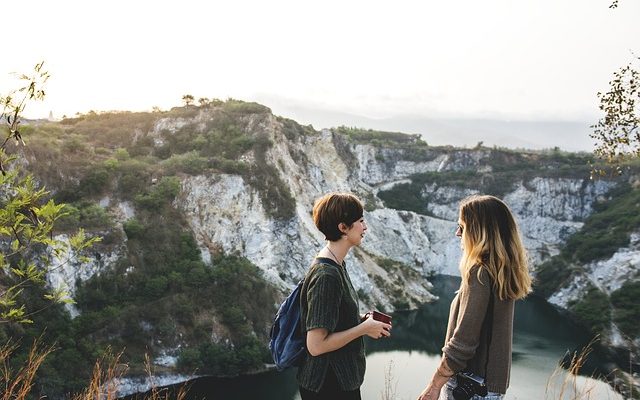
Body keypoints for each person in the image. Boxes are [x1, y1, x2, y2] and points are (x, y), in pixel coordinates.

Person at [417, 195, 532, 400]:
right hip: (490, 388)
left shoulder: (479, 272)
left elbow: (464, 341)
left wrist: (434, 385)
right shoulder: (502, 271)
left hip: (466, 386)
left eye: (462, 227)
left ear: (479, 232)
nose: (457, 233)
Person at [298, 192, 392, 400]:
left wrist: (361, 322)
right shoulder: (327, 275)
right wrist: (363, 329)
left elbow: (333, 321)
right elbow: (316, 346)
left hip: (338, 380)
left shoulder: (336, 264)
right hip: (328, 385)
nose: (365, 226)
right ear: (343, 228)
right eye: (360, 221)